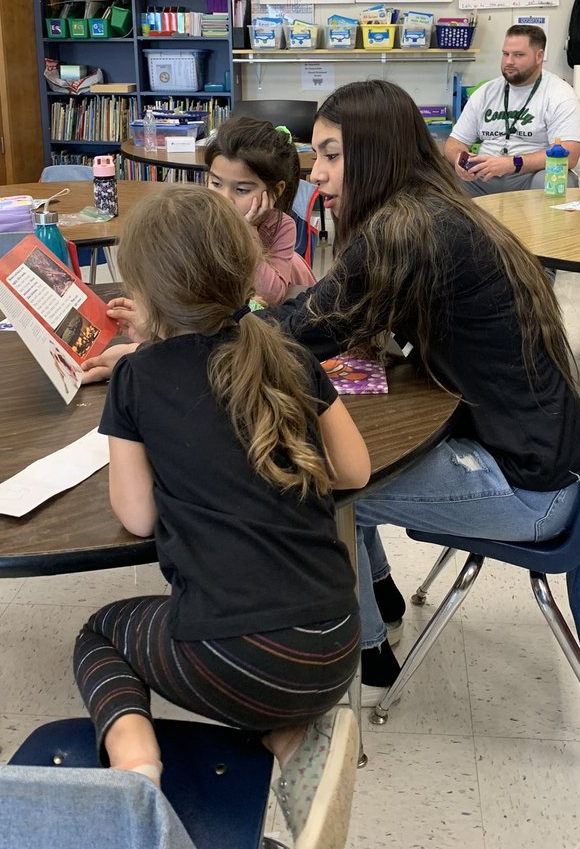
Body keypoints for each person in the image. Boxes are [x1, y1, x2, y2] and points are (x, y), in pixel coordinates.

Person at [82, 81, 580, 701]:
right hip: (546, 453)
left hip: (530, 486)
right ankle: (379, 593)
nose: (315, 173)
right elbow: (319, 309)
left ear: (376, 154)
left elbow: (300, 328)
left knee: (322, 491)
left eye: (330, 155)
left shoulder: (408, 230)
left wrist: (169, 340)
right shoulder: (432, 206)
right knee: (353, 459)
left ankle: (369, 651)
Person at [73, 185, 368, 847]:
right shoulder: (288, 354)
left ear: (144, 288)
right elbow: (356, 471)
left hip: (232, 659)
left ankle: (136, 766)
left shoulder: (136, 379)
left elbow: (137, 515)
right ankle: (291, 738)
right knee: (268, 676)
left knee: (100, 633)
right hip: (335, 643)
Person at [443, 25, 580, 195]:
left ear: (539, 56)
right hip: (483, 177)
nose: (509, 61)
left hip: (530, 176)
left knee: (554, 178)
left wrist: (513, 163)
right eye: (505, 54)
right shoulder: (486, 92)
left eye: (518, 55)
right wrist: (460, 158)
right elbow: (454, 143)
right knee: (437, 176)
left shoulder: (560, 94)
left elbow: (569, 154)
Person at [203, 115, 315, 304]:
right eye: (216, 183)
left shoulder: (282, 227)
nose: (225, 199)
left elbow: (272, 295)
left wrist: (245, 233)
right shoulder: (198, 217)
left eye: (242, 190)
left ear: (276, 191)